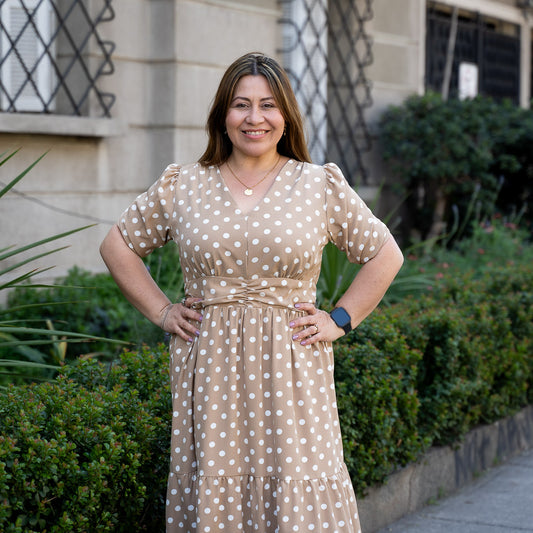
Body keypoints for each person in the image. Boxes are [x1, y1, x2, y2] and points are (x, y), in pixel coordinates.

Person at [100, 52, 404, 533]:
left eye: (268, 105)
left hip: (294, 363)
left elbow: (385, 254)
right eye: (241, 105)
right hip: (210, 359)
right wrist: (161, 311)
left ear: (286, 116)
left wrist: (339, 319)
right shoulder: (184, 184)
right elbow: (117, 245)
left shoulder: (317, 184)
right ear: (224, 114)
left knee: (297, 480)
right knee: (217, 481)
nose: (255, 117)